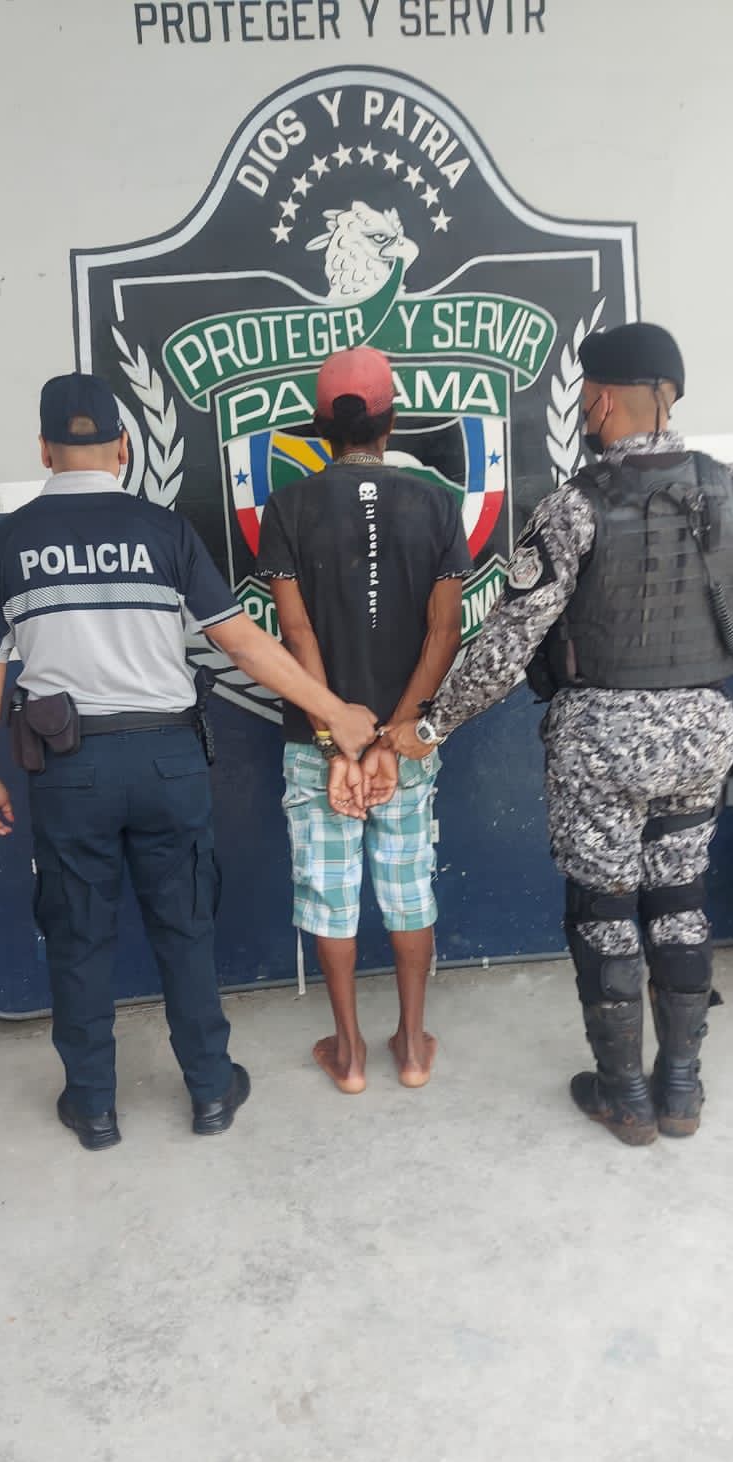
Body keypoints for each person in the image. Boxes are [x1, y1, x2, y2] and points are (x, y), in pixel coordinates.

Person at [0, 372, 377, 1151]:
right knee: (184, 931)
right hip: (166, 761)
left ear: (44, 449)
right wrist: (335, 711)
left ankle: (94, 1108)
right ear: (122, 447)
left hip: (68, 770)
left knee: (79, 939)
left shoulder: (6, 542)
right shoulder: (164, 531)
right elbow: (242, 641)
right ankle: (210, 1091)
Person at [386, 323, 733, 1144]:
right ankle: (679, 1089)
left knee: (603, 909)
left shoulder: (573, 506)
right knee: (679, 902)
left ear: (602, 399)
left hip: (603, 740)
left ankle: (624, 1096)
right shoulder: (727, 490)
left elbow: (507, 644)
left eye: (585, 397)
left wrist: (432, 723)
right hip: (703, 731)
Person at [256, 347, 472, 1094]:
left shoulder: (287, 507)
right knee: (408, 886)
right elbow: (445, 633)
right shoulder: (436, 503)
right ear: (392, 421)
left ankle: (348, 1056)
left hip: (316, 743)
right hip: (404, 746)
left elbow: (296, 634)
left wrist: (334, 737)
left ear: (320, 426)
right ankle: (410, 1047)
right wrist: (392, 736)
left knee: (328, 889)